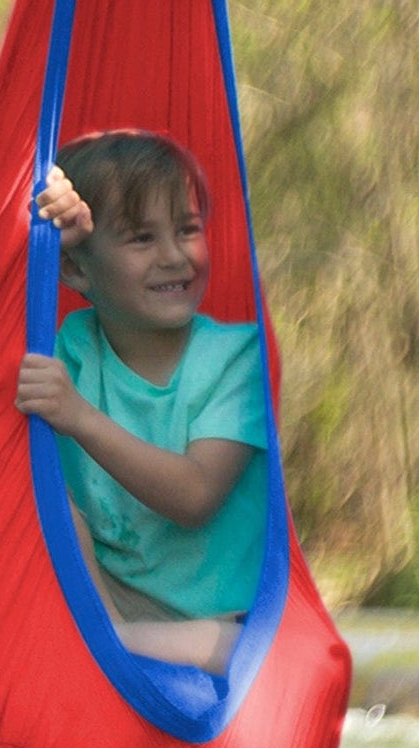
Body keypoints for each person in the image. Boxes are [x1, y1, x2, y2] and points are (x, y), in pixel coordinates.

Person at [15, 130, 267, 674]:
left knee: (254, 658)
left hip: (222, 620)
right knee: (45, 505)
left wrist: (78, 417)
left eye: (187, 230)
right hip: (109, 605)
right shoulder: (67, 352)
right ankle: (109, 639)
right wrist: (37, 227)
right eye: (141, 238)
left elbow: (195, 495)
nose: (174, 256)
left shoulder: (238, 356)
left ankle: (108, 646)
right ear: (78, 270)